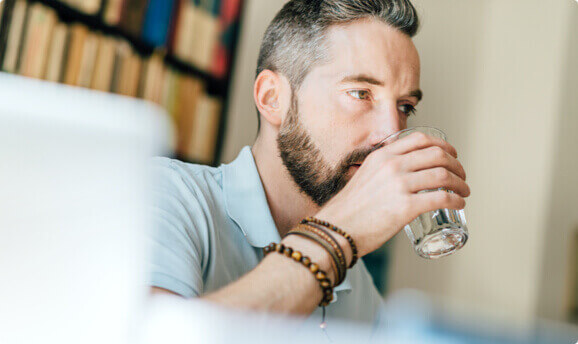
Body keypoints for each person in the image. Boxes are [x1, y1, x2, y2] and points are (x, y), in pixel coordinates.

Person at [148, 0, 470, 326]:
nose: (391, 132)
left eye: (405, 107)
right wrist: (337, 235)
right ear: (272, 98)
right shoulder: (167, 195)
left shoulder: (359, 289)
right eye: (361, 93)